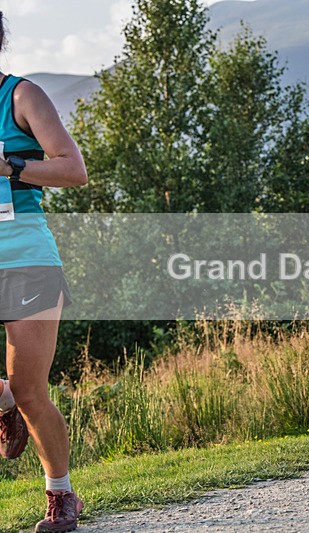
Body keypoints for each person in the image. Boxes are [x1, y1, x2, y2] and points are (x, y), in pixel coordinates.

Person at [0, 12, 88, 533]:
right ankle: (2, 395)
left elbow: (73, 170)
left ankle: (61, 493)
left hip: (25, 259)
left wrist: (10, 167)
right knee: (14, 387)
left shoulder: (21, 96)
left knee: (31, 391)